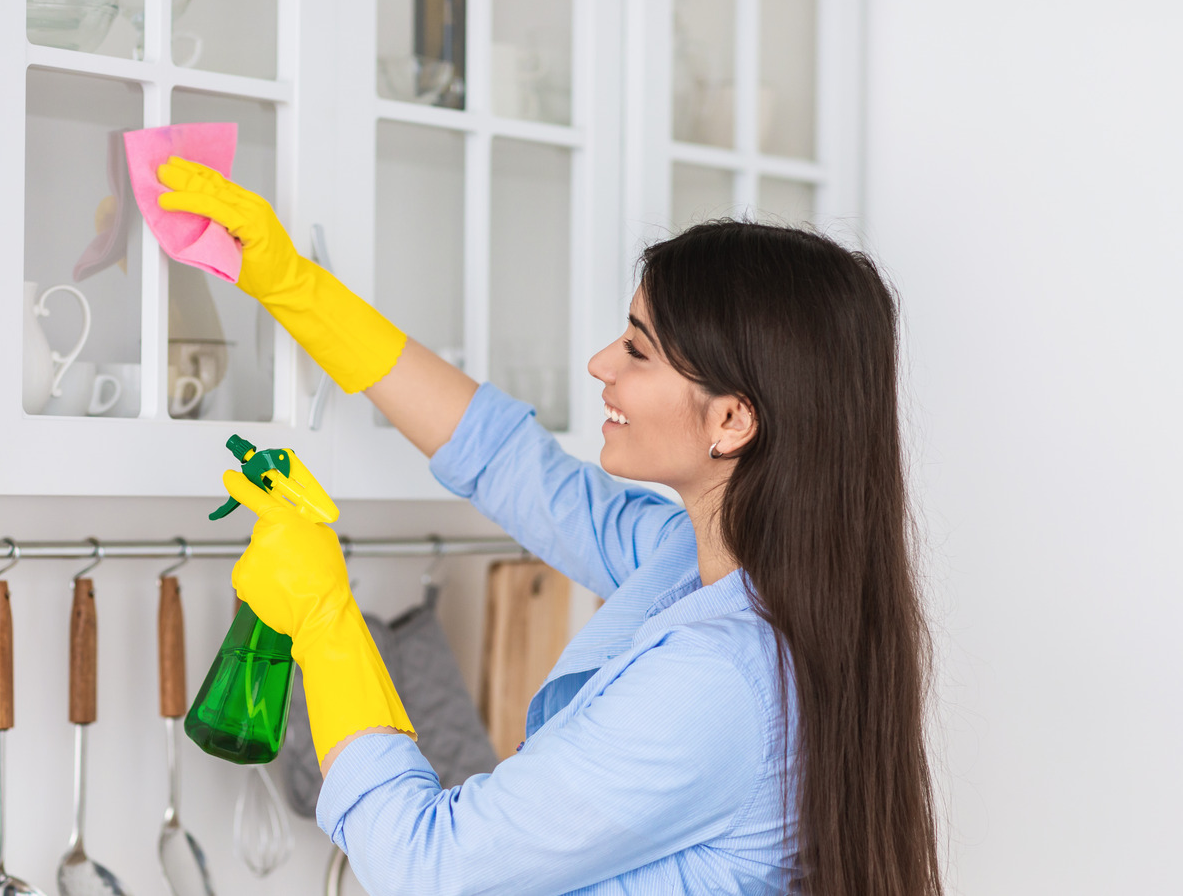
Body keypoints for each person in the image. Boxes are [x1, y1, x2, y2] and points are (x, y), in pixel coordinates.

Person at [157, 157, 943, 896]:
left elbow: (426, 863)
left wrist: (325, 618)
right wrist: (294, 285)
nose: (602, 362)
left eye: (638, 348)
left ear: (732, 419)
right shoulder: (708, 566)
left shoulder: (719, 683)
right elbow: (509, 463)